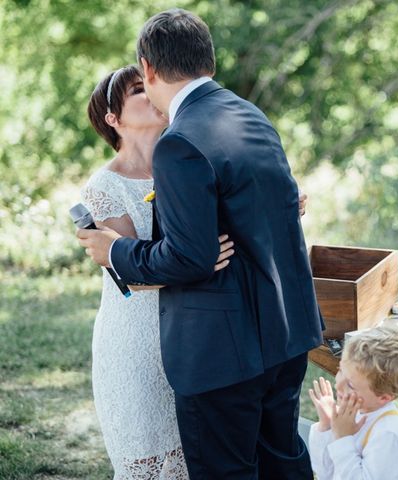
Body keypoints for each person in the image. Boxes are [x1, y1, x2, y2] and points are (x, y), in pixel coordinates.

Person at [77, 8, 324, 480]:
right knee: (282, 464)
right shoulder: (249, 114)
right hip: (285, 334)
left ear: (149, 68)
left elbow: (190, 258)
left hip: (223, 355)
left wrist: (114, 251)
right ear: (207, 59)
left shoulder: (180, 142)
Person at [82, 65, 236, 478]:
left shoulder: (187, 161)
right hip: (133, 342)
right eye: (136, 89)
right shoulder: (104, 187)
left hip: (192, 337)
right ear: (113, 119)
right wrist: (200, 261)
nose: (149, 91)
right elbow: (132, 273)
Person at [308, 327, 398, 480]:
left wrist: (342, 438)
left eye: (351, 385)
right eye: (340, 370)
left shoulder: (388, 434)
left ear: (384, 397)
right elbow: (326, 474)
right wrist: (327, 426)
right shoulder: (354, 411)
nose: (338, 384)